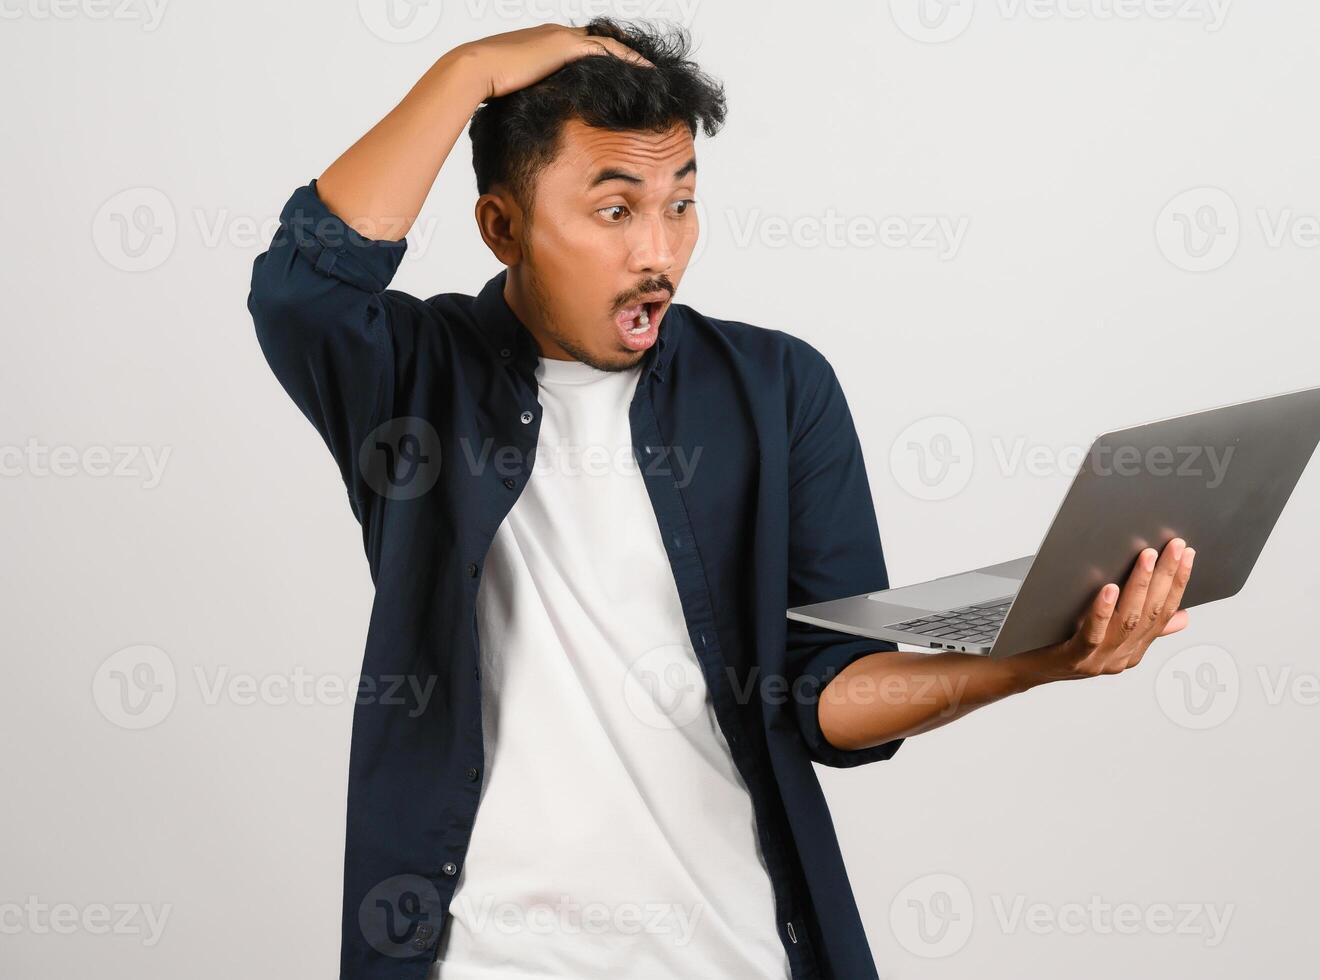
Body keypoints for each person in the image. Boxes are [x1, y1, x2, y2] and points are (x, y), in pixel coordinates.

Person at [246, 19, 1195, 980]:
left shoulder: (777, 389)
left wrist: (1029, 663)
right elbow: (302, 293)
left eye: (681, 204)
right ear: (502, 227)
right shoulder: (414, 380)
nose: (658, 253)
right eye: (615, 211)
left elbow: (825, 692)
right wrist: (469, 72)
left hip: (736, 952)